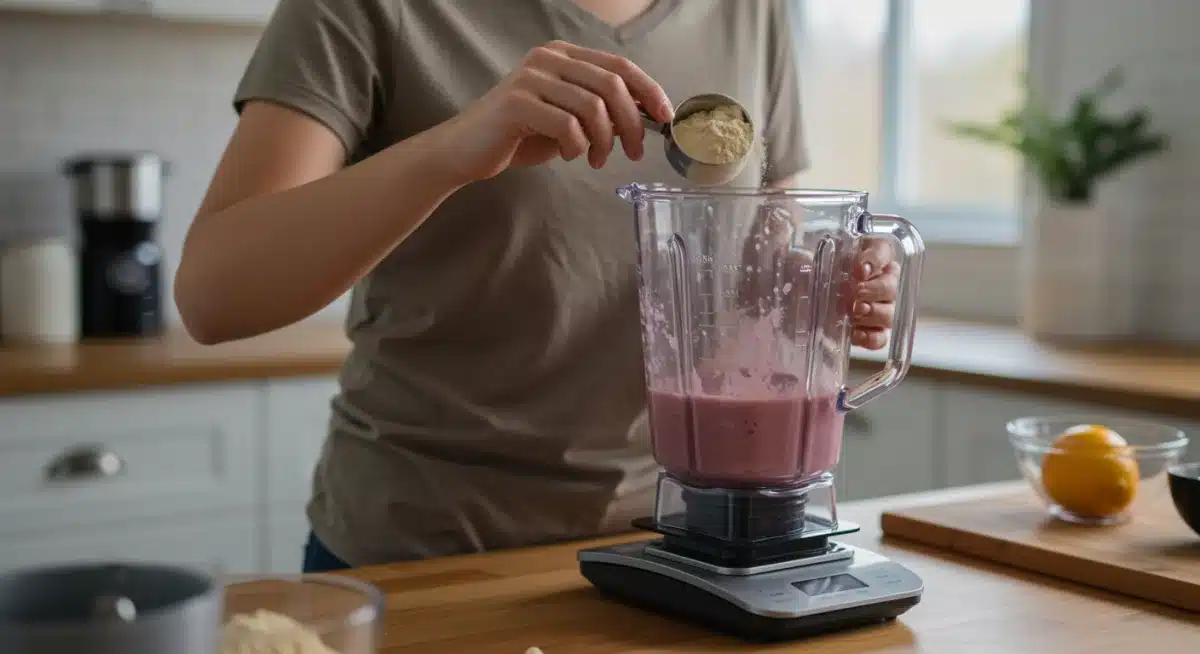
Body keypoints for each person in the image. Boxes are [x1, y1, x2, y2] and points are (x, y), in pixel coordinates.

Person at [174, 0, 902, 572]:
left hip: (674, 552)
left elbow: (765, 248)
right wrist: (456, 148)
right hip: (427, 558)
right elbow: (212, 294)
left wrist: (830, 281)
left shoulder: (748, 8)